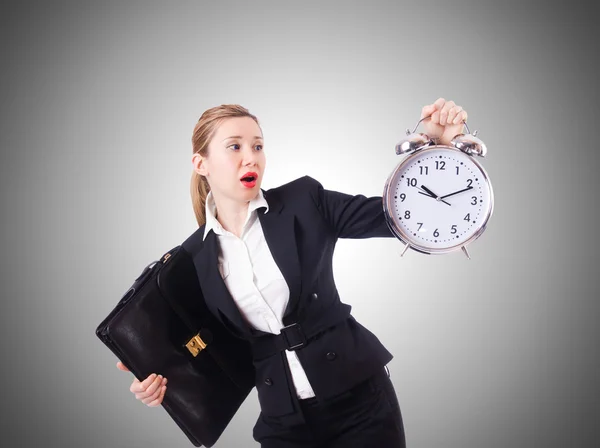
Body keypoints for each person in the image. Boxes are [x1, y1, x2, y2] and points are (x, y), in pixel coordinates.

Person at [116, 98, 469, 447]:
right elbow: (203, 346)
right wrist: (155, 377)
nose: (251, 156)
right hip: (283, 421)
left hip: (359, 400)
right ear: (201, 163)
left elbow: (399, 216)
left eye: (258, 146)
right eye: (234, 146)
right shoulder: (192, 257)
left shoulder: (304, 201)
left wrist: (438, 147)